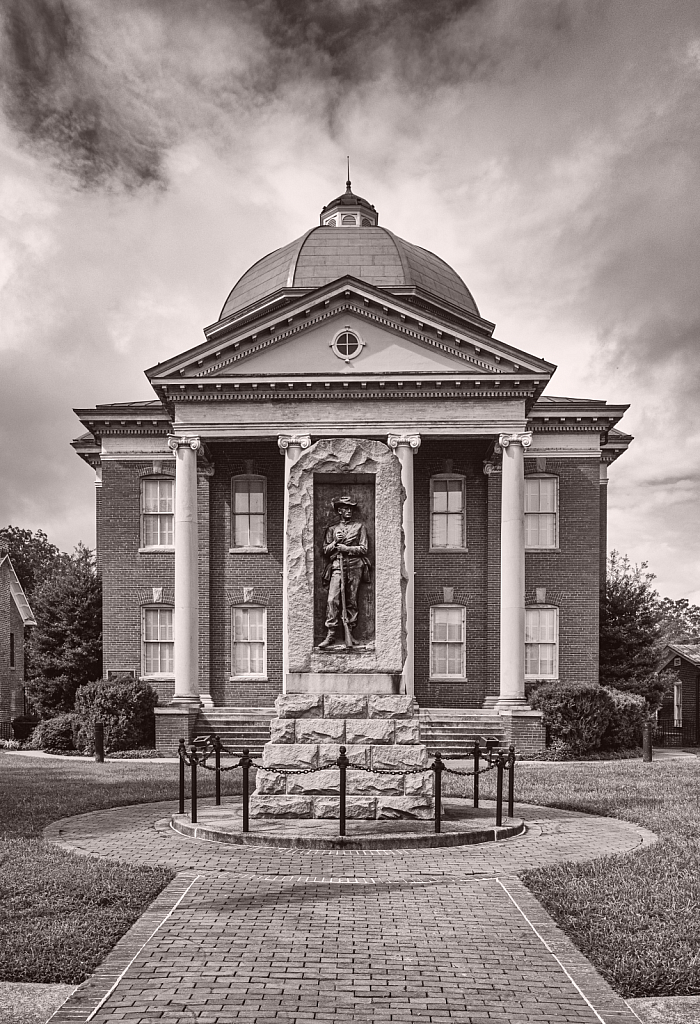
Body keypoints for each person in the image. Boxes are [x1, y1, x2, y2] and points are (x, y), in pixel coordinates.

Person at [319, 495, 370, 648]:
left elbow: (364, 548)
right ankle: (331, 634)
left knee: (351, 601)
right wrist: (335, 543)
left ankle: (351, 632)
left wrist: (347, 549)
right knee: (332, 600)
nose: (349, 511)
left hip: (355, 566)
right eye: (346, 509)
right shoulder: (332, 529)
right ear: (340, 510)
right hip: (337, 566)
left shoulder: (359, 527)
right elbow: (325, 551)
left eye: (351, 509)